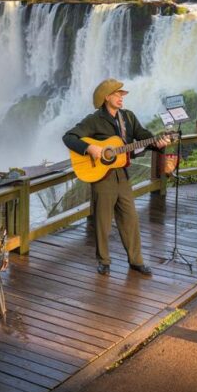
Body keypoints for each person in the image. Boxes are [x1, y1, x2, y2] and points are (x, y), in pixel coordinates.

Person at [62, 78, 169, 276]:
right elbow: (69, 137)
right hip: (103, 177)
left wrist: (157, 141)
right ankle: (103, 261)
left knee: (131, 219)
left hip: (123, 175)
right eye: (117, 94)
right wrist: (89, 148)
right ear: (106, 97)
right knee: (103, 221)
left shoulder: (127, 117)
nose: (121, 98)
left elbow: (143, 135)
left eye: (122, 95)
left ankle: (136, 261)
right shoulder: (94, 120)